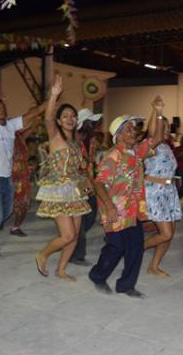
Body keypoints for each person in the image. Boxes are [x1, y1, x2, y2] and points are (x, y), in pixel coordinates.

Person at [89, 96, 165, 298]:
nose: (134, 131)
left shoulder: (136, 152)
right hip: (114, 210)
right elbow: (98, 183)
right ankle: (97, 275)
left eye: (134, 128)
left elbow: (156, 139)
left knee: (136, 248)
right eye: (129, 129)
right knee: (116, 247)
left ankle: (126, 285)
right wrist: (109, 206)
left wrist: (157, 112)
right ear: (119, 135)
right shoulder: (113, 156)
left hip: (132, 211)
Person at [0, 70, 47, 259]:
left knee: (6, 211)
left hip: (6, 178)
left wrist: (53, 98)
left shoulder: (10, 126)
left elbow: (32, 113)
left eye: (3, 107)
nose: (2, 109)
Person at [34, 76, 91, 281]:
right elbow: (47, 118)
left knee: (75, 235)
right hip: (58, 191)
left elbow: (80, 169)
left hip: (75, 192)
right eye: (65, 116)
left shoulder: (76, 143)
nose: (70, 118)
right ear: (59, 121)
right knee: (67, 235)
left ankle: (61, 269)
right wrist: (54, 96)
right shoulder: (55, 137)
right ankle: (43, 254)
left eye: (73, 116)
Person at [143, 113, 182, 278]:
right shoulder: (150, 146)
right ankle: (136, 247)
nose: (166, 130)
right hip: (155, 191)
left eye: (167, 127)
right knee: (166, 233)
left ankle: (154, 266)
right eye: (162, 127)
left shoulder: (166, 146)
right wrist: (157, 112)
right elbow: (153, 133)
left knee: (169, 233)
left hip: (168, 192)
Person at [69, 108, 103, 266]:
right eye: (91, 122)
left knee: (90, 213)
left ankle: (73, 242)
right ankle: (77, 254)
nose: (94, 124)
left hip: (86, 181)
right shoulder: (75, 139)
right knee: (83, 217)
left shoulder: (87, 139)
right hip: (77, 182)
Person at [9, 125, 37, 237]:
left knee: (23, 202)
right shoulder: (7, 137)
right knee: (11, 201)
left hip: (22, 175)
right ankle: (6, 224)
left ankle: (15, 227)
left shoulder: (19, 136)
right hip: (12, 174)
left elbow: (31, 128)